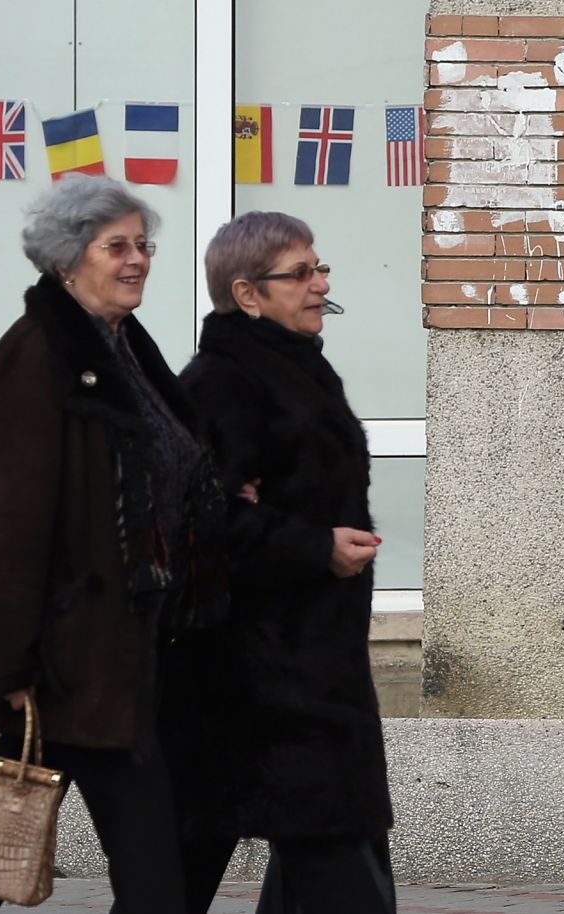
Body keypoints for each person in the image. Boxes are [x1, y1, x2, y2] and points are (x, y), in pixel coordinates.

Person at [0, 174, 228, 914]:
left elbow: (166, 462)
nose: (137, 259)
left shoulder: (120, 349)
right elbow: (6, 522)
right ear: (66, 259)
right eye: (115, 246)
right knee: (151, 882)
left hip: (118, 655)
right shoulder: (36, 356)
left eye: (143, 245)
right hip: (66, 661)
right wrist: (4, 665)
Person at [167, 211, 395, 914]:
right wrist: (315, 546)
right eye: (300, 273)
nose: (320, 284)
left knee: (307, 851)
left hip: (319, 661)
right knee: (333, 861)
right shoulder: (220, 383)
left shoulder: (303, 368)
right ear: (247, 294)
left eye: (320, 268)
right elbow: (204, 526)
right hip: (258, 674)